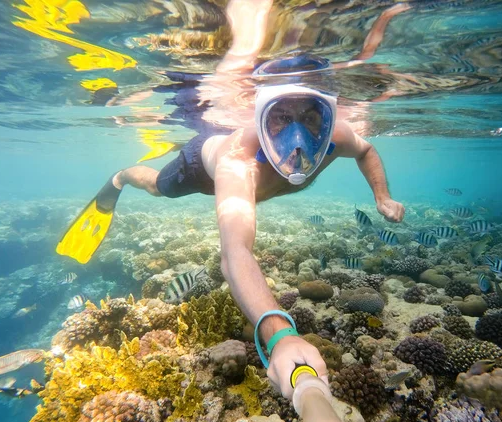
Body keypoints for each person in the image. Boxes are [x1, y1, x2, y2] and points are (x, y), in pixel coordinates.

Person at [56, 2, 406, 400]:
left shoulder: (338, 138)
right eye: (279, 118)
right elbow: (235, 252)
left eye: (311, 118)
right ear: (260, 118)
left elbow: (366, 151)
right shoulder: (237, 161)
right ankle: (120, 177)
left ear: (327, 117)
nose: (297, 139)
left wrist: (383, 196)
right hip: (199, 169)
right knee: (157, 187)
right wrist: (281, 335)